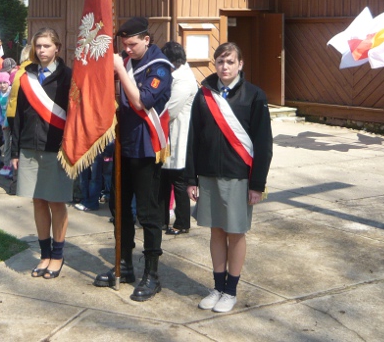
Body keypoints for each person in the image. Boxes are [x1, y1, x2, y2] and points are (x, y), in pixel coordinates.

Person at [186, 42, 273, 314]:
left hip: (239, 177)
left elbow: (264, 144)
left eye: (230, 62)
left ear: (240, 64)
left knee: (235, 233)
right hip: (209, 175)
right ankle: (217, 287)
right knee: (216, 231)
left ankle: (230, 291)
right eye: (220, 62)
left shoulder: (254, 96)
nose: (225, 67)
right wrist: (191, 178)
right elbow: (193, 138)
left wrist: (257, 184)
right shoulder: (204, 95)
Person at [93, 17, 172, 302]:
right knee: (119, 209)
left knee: (148, 214)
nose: (127, 49)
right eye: (124, 44)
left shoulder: (160, 67)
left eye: (132, 44)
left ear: (146, 40)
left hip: (146, 148)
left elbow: (141, 101)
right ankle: (123, 263)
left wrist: (119, 69)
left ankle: (152, 274)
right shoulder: (126, 61)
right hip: (122, 146)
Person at [11, 28, 73, 280]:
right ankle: (44, 254)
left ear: (57, 47)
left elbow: (75, 115)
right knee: (37, 201)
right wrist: (14, 150)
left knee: (56, 202)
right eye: (38, 46)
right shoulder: (26, 75)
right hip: (29, 147)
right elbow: (18, 114)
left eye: (46, 46)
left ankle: (58, 255)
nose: (41, 50)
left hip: (56, 149)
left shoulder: (68, 76)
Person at [159, 41, 198, 235]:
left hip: (179, 135)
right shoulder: (178, 75)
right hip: (170, 135)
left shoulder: (183, 80)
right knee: (165, 180)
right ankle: (162, 220)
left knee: (179, 182)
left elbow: (171, 110)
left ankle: (182, 223)